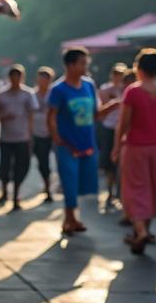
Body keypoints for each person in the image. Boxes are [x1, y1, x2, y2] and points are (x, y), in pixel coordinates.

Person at [112, 49, 156, 254]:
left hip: (136, 146)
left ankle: (139, 231)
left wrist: (116, 146)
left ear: (138, 68)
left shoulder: (133, 91)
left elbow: (124, 123)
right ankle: (145, 230)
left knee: (135, 188)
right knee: (153, 187)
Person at [49, 47, 119, 234]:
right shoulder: (58, 89)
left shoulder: (88, 85)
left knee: (83, 183)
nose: (85, 66)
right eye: (82, 63)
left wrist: (113, 105)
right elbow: (51, 116)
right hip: (67, 144)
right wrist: (57, 138)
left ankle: (71, 218)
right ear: (70, 65)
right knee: (69, 181)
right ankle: (70, 218)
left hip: (87, 142)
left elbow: (95, 115)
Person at [0, 65, 38, 210]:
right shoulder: (1, 95)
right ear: (9, 78)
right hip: (6, 138)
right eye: (13, 77)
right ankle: (5, 192)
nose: (15, 80)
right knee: (4, 167)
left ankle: (16, 196)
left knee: (20, 167)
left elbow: (31, 116)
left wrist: (31, 135)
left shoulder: (28, 94)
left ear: (22, 78)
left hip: (22, 137)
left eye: (18, 77)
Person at [97, 64, 128, 206]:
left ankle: (120, 193)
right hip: (109, 128)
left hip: (125, 129)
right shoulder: (105, 89)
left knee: (123, 163)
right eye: (115, 74)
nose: (117, 77)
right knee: (109, 162)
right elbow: (101, 110)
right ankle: (109, 192)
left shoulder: (128, 89)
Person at [31, 66, 56, 203]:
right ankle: (47, 186)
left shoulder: (54, 94)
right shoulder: (32, 95)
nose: (43, 82)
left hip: (52, 133)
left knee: (49, 162)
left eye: (46, 79)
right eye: (41, 79)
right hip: (36, 133)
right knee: (42, 162)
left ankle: (49, 189)